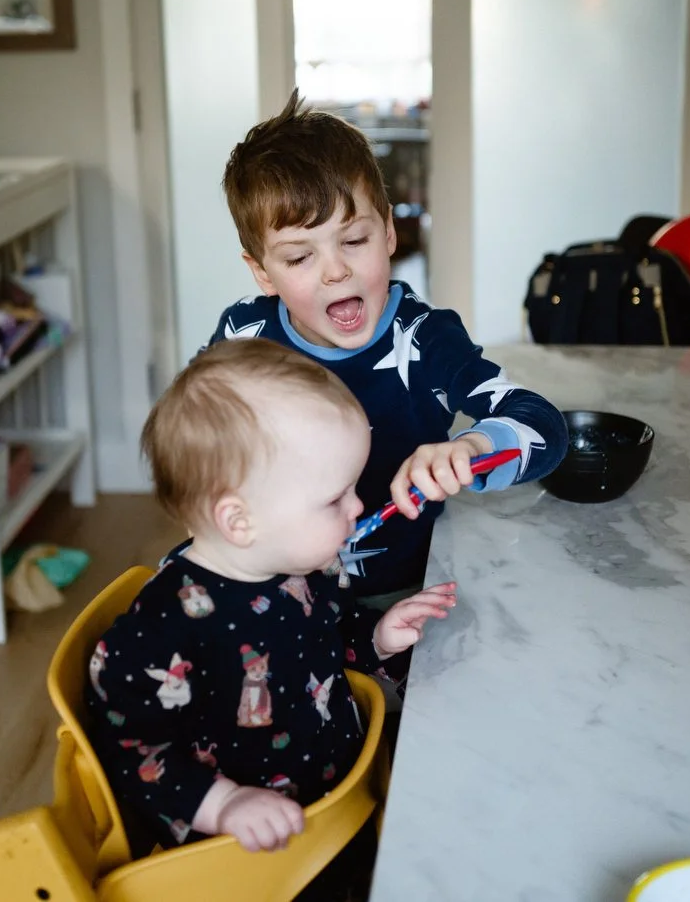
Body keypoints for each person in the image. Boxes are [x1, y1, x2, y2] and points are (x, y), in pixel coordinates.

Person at [85, 339, 457, 868]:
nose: (357, 506)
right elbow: (134, 753)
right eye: (335, 498)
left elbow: (329, 633)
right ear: (240, 521)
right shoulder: (163, 629)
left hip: (333, 804)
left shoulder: (302, 564)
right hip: (254, 853)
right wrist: (225, 804)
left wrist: (376, 636)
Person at [208, 91, 568, 607]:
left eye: (353, 241)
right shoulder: (244, 335)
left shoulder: (426, 340)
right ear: (262, 271)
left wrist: (470, 448)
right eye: (299, 257)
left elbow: (544, 426)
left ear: (390, 233)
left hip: (399, 596)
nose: (336, 270)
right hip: (274, 594)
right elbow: (197, 442)